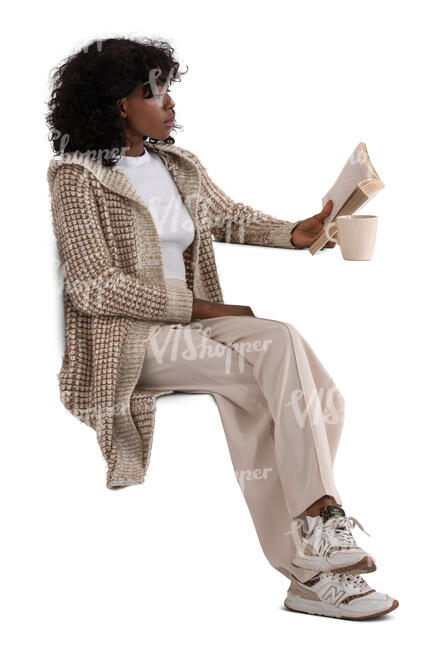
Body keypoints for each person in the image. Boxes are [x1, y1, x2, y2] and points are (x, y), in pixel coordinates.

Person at [46, 36, 398, 621]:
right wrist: (206, 311)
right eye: (154, 91)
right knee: (262, 385)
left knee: (312, 380)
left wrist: (299, 232)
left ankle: (316, 533)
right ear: (117, 104)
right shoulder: (75, 177)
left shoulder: (175, 164)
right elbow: (93, 286)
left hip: (192, 328)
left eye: (167, 88)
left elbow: (229, 217)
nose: (170, 102)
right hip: (127, 342)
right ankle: (312, 564)